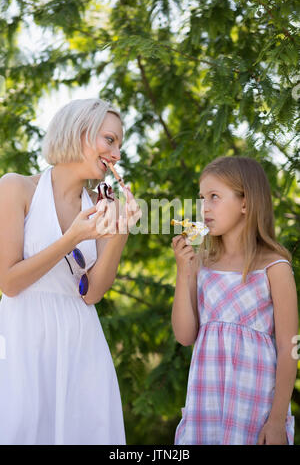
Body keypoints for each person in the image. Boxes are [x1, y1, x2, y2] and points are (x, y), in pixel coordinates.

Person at [0, 98, 141, 445]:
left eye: (120, 144)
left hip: (81, 338)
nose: (117, 153)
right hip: (24, 335)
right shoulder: (16, 188)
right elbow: (9, 282)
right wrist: (74, 237)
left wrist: (121, 231)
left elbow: (91, 293)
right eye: (110, 140)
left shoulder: (101, 206)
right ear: (80, 133)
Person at [172, 156, 298, 445]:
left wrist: (277, 420)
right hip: (207, 405)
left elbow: (289, 347)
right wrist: (184, 272)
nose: (204, 207)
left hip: (256, 408)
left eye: (214, 197)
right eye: (202, 198)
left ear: (246, 203)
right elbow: (184, 335)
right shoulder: (201, 263)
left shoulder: (274, 267)